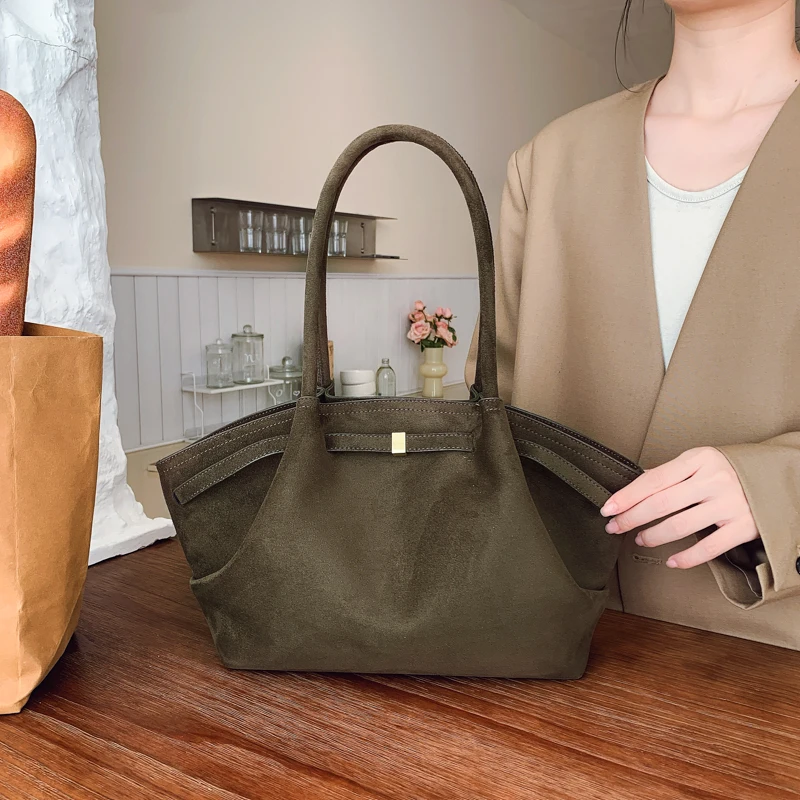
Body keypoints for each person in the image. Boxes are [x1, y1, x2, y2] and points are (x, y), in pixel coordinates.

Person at [466, 0, 800, 649]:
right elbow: (488, 416)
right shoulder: (548, 163)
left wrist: (778, 490)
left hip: (773, 668)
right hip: (552, 648)